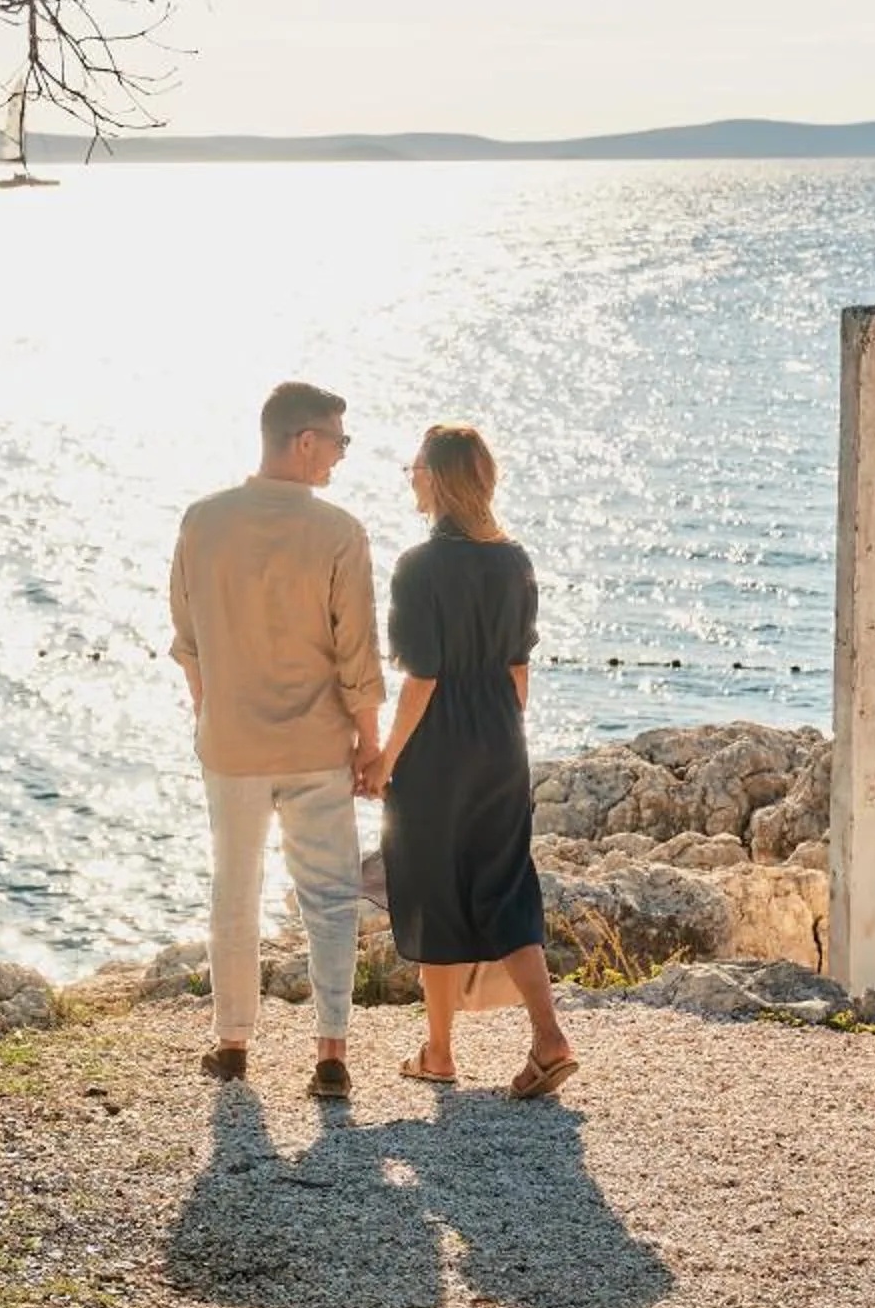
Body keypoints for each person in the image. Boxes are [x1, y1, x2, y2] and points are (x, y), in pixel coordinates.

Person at [168, 381, 385, 1099]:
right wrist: (370, 743)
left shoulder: (201, 521)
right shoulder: (339, 532)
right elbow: (357, 655)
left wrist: (213, 714)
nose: (340, 458)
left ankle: (231, 1043)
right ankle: (330, 1052)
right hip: (317, 746)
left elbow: (189, 641)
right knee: (328, 896)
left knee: (235, 888)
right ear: (304, 442)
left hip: (230, 745)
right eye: (339, 443)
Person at [375, 423, 577, 1098]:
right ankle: (543, 1035)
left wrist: (382, 759)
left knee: (434, 885)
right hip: (500, 738)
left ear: (436, 477)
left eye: (415, 466)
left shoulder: (418, 567)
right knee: (505, 882)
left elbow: (422, 677)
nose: (409, 475)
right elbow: (519, 668)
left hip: (438, 748)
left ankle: (442, 1052)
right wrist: (505, 740)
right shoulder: (513, 560)